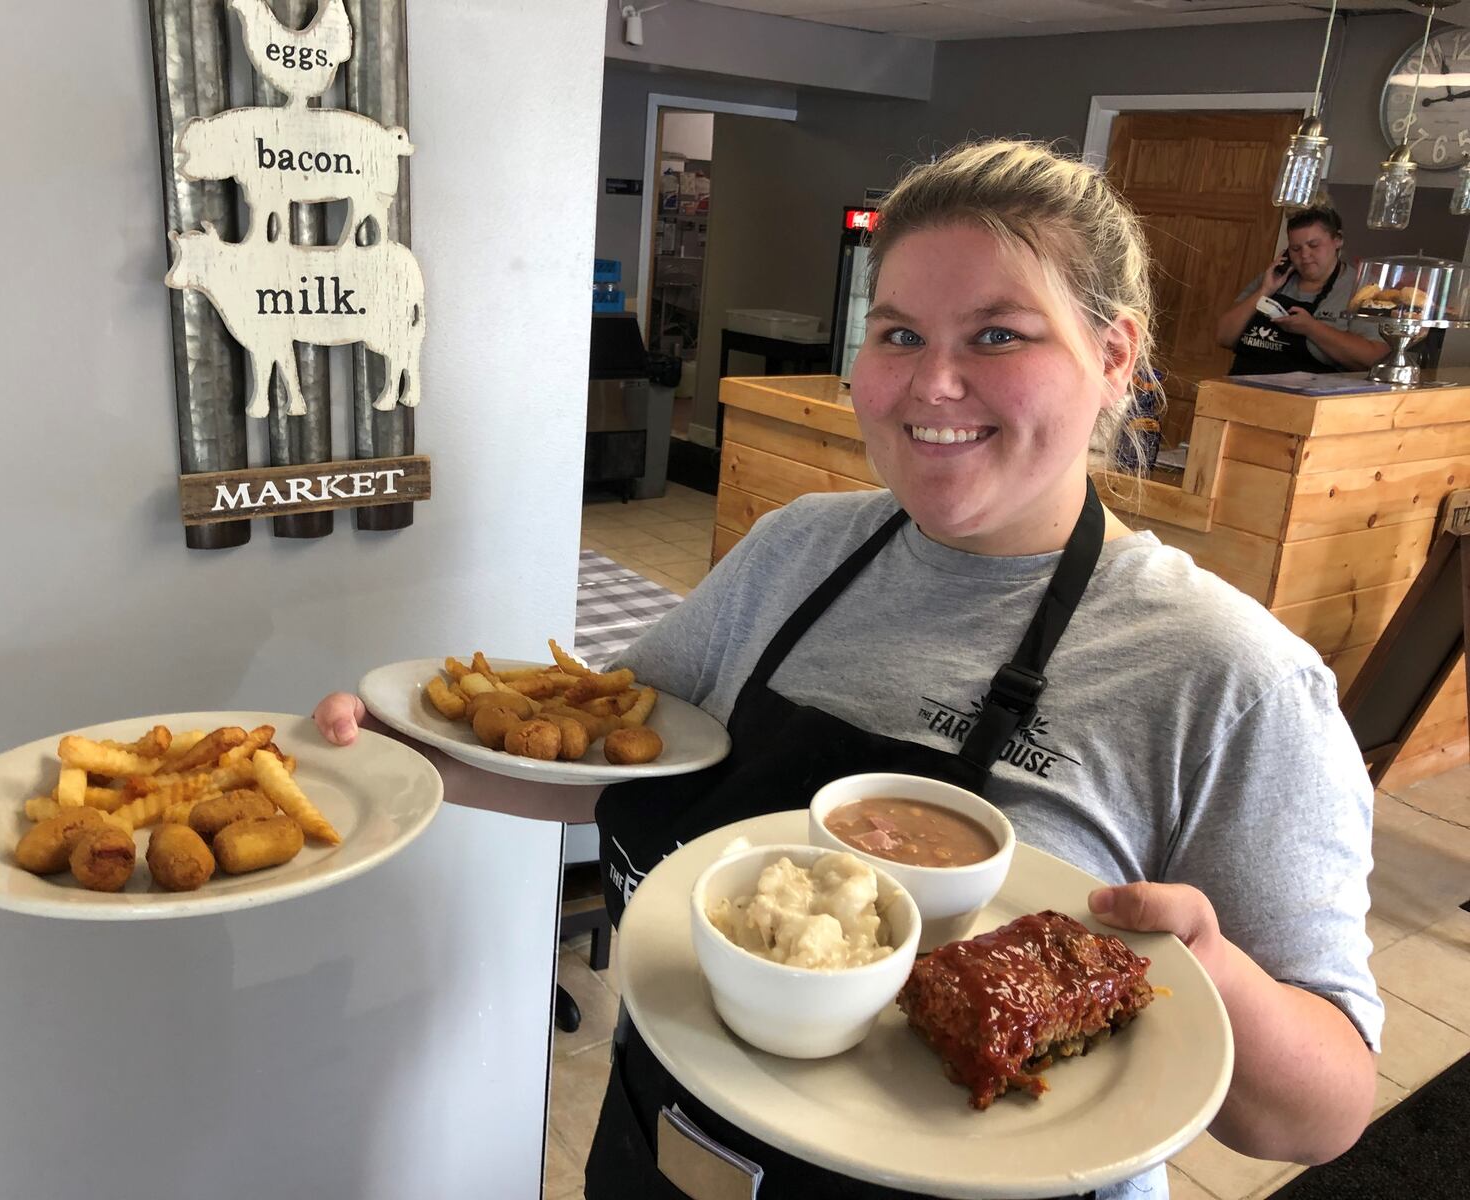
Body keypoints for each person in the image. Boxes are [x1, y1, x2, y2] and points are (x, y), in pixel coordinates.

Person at [314, 142, 1380, 1200]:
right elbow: (621, 772)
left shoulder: (1223, 675)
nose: (933, 384)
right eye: (899, 333)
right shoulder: (796, 550)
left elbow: (1321, 1114)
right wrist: (414, 760)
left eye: (998, 335)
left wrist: (1209, 969)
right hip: (666, 1155)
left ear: (1113, 357)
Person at [1216, 204, 1386, 374]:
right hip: (1240, 388)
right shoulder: (1274, 278)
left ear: (1338, 240)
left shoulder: (1362, 290)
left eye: (1313, 245)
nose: (1304, 255)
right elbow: (1224, 337)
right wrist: (1264, 291)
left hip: (1306, 396)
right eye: (1295, 249)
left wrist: (1311, 328)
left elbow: (1374, 359)